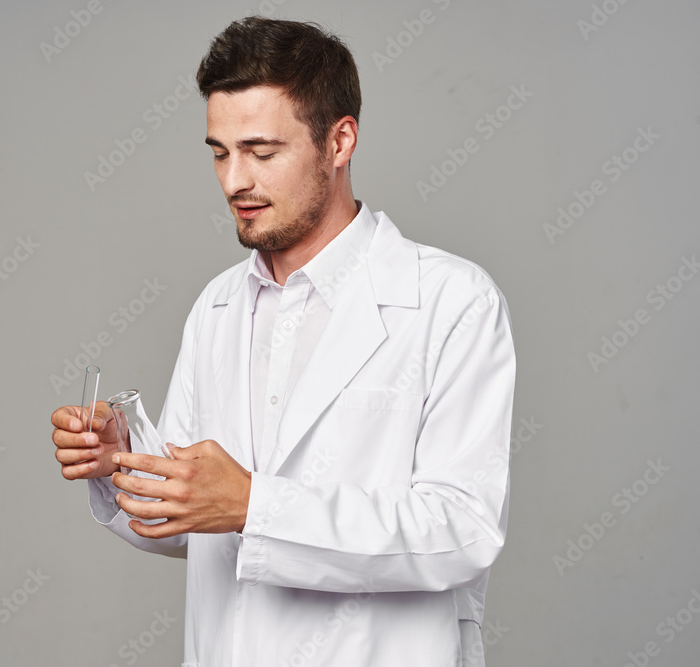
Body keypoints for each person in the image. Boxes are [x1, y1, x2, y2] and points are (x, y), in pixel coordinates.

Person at [51, 16, 515, 667]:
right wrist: (122, 464)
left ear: (339, 141)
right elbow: (188, 523)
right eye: (220, 152)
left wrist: (254, 504)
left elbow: (461, 531)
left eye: (262, 152)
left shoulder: (451, 302)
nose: (234, 181)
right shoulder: (216, 308)